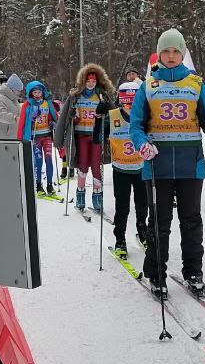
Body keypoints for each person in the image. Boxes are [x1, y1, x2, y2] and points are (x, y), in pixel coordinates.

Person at [130, 28, 205, 295]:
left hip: (190, 163)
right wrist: (142, 144)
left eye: (175, 51)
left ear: (182, 54)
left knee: (191, 219)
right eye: (166, 51)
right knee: (160, 221)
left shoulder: (195, 83)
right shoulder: (148, 86)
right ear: (159, 54)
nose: (171, 56)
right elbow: (136, 125)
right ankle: (156, 272)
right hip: (157, 164)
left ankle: (193, 270)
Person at [54, 64, 114, 215]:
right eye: (88, 81)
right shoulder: (75, 96)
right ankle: (80, 195)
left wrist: (105, 114)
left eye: (93, 81)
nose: (91, 83)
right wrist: (60, 137)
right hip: (80, 135)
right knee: (82, 165)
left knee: (96, 165)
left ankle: (97, 197)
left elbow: (113, 115)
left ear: (98, 81)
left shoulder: (102, 96)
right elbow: (63, 119)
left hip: (96, 136)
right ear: (83, 81)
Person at [108, 74, 148, 258]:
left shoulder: (144, 117)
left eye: (133, 103)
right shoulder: (113, 116)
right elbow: (95, 137)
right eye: (126, 104)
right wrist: (100, 118)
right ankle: (120, 239)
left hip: (141, 168)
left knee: (143, 204)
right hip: (121, 170)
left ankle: (142, 230)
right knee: (122, 206)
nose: (130, 108)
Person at [18, 80, 59, 194]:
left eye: (39, 92)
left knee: (48, 159)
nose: (37, 94)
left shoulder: (47, 102)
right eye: (34, 92)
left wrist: (53, 122)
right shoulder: (27, 104)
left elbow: (54, 116)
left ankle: (50, 185)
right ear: (31, 93)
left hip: (47, 136)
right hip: (35, 137)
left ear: (42, 92)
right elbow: (22, 122)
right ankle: (38, 185)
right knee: (38, 161)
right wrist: (20, 138)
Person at [0, 73, 23, 140]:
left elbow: (19, 113)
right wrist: (14, 118)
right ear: (12, 89)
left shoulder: (14, 100)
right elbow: (0, 115)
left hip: (11, 137)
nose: (20, 93)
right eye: (18, 90)